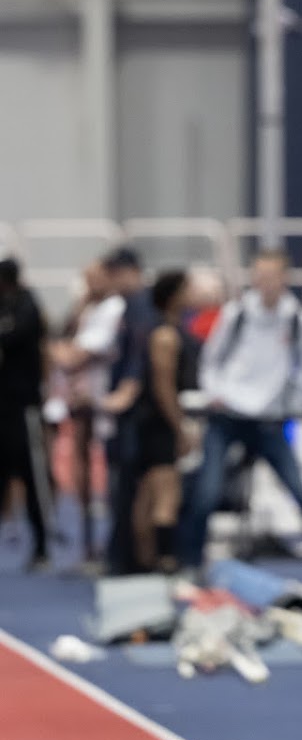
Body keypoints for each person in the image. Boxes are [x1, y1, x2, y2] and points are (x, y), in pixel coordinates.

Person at [180, 249, 302, 573]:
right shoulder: (237, 314)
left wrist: (291, 403)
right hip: (227, 418)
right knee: (207, 493)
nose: (265, 282)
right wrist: (216, 394)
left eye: (271, 276)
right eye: (260, 276)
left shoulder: (296, 319)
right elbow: (211, 360)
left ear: (284, 278)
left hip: (268, 421)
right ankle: (191, 563)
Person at [48, 259, 124, 564]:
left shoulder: (115, 309)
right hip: (80, 399)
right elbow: (66, 347)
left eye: (94, 278)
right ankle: (87, 540)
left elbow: (74, 356)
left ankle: (114, 542)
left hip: (105, 399)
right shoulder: (88, 309)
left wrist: (58, 352)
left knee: (113, 468)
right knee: (80, 466)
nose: (90, 284)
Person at [132, 270, 197, 573]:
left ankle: (145, 560)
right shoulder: (165, 336)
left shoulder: (166, 330)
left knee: (148, 494)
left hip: (153, 422)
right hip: (159, 424)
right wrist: (179, 426)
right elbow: (163, 387)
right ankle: (164, 560)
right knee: (166, 494)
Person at [100, 246, 157, 574]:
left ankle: (128, 560)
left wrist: (127, 389)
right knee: (123, 487)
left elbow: (140, 353)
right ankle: (122, 556)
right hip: (129, 415)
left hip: (138, 416)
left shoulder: (141, 307)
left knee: (130, 487)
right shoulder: (128, 306)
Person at [0, 257, 51, 568]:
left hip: (24, 406)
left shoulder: (27, 305)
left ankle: (42, 544)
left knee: (33, 474)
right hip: (3, 405)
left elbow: (17, 334)